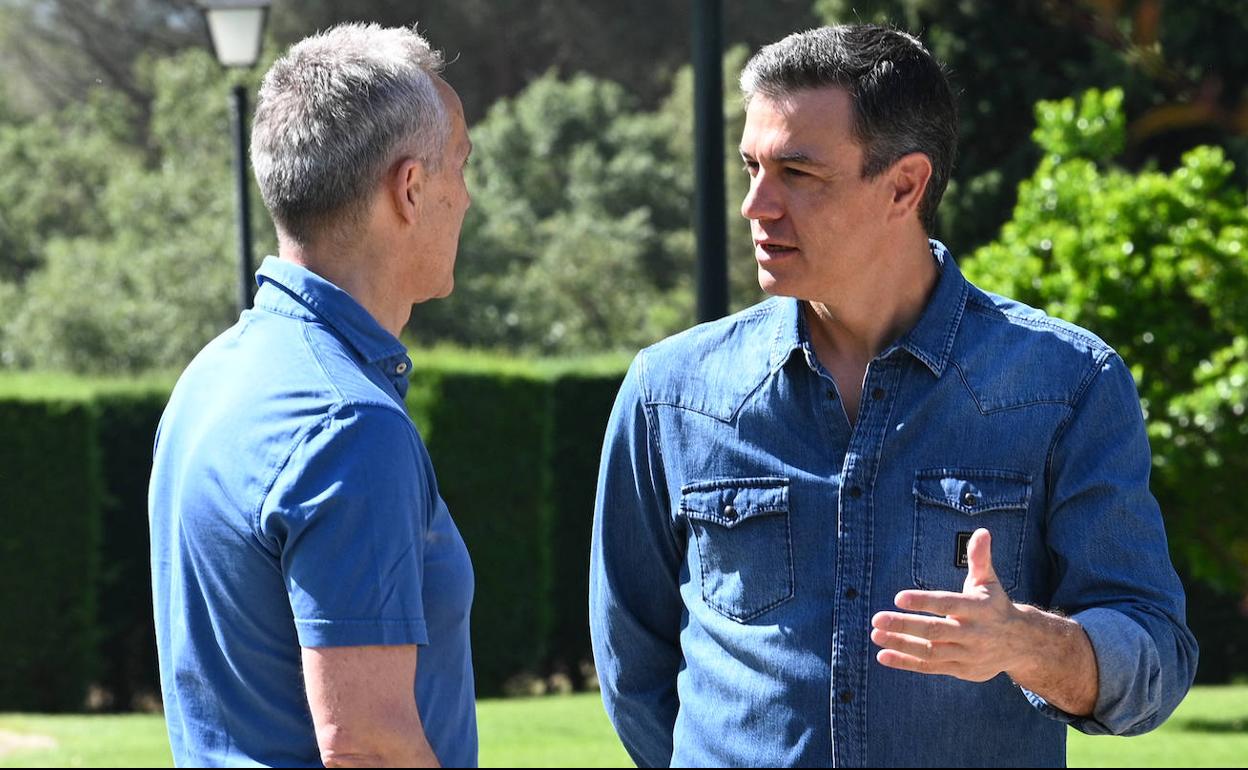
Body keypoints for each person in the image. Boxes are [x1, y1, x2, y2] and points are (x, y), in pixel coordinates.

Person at [590, 24, 1197, 768]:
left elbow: (1155, 654)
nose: (756, 205)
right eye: (751, 166)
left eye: (797, 173)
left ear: (905, 185)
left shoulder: (1066, 383)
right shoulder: (670, 392)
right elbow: (635, 671)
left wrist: (1029, 644)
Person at [149, 23, 475, 767]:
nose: (468, 197)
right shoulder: (349, 423)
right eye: (462, 165)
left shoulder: (211, 375)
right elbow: (366, 745)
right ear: (410, 189)